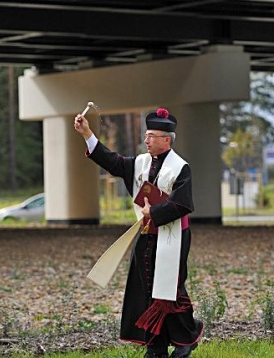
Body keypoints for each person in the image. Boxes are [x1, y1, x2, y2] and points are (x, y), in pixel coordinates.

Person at [74, 107, 203, 358]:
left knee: (171, 290)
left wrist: (153, 214)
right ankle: (155, 346)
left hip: (173, 237)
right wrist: (87, 133)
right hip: (146, 235)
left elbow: (183, 204)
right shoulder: (140, 163)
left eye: (152, 136)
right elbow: (113, 162)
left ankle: (187, 337)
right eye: (146, 135)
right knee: (146, 290)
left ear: (167, 139)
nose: (147, 140)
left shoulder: (181, 168)